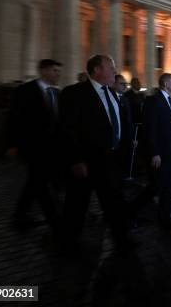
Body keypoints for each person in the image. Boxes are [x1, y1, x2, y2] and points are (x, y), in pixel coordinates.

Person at [59, 55, 134, 251]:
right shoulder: (74, 93)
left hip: (111, 161)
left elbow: (117, 125)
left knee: (114, 203)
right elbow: (67, 130)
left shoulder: (112, 93)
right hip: (86, 162)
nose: (115, 72)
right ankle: (67, 242)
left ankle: (122, 240)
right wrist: (76, 160)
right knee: (77, 205)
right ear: (96, 70)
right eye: (111, 68)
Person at [6, 59, 63, 231]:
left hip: (50, 148)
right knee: (40, 183)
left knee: (34, 183)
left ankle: (20, 216)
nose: (58, 74)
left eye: (58, 71)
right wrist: (12, 144)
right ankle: (54, 222)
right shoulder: (25, 90)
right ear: (43, 71)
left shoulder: (57, 92)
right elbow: (13, 118)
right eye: (54, 70)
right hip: (31, 146)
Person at [131, 73, 171, 230]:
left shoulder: (169, 100)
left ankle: (165, 219)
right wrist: (154, 152)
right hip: (161, 153)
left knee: (167, 188)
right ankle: (131, 211)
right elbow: (150, 128)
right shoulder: (153, 101)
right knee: (157, 186)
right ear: (166, 84)